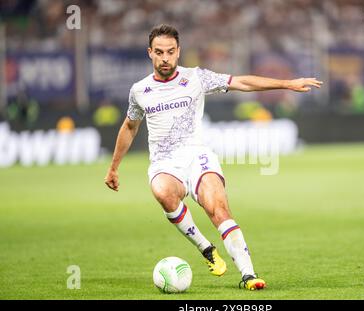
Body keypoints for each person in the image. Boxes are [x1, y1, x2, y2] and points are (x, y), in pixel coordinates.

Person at [104, 24, 322, 290]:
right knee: (162, 191)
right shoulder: (140, 90)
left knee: (218, 209)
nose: (165, 58)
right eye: (159, 52)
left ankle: (249, 275)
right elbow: (130, 126)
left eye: (170, 52)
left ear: (178, 51)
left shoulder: (196, 77)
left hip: (197, 157)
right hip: (165, 163)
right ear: (150, 53)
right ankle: (206, 248)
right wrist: (114, 168)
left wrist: (286, 84)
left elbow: (241, 82)